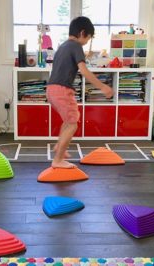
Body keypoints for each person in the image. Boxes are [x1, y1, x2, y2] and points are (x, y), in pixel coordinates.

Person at [47, 16, 114, 169]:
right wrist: (103, 87)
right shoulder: (76, 46)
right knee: (72, 125)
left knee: (69, 119)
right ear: (83, 33)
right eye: (88, 38)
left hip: (51, 89)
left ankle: (60, 147)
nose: (87, 42)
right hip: (62, 90)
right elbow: (84, 70)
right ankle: (57, 160)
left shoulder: (64, 46)